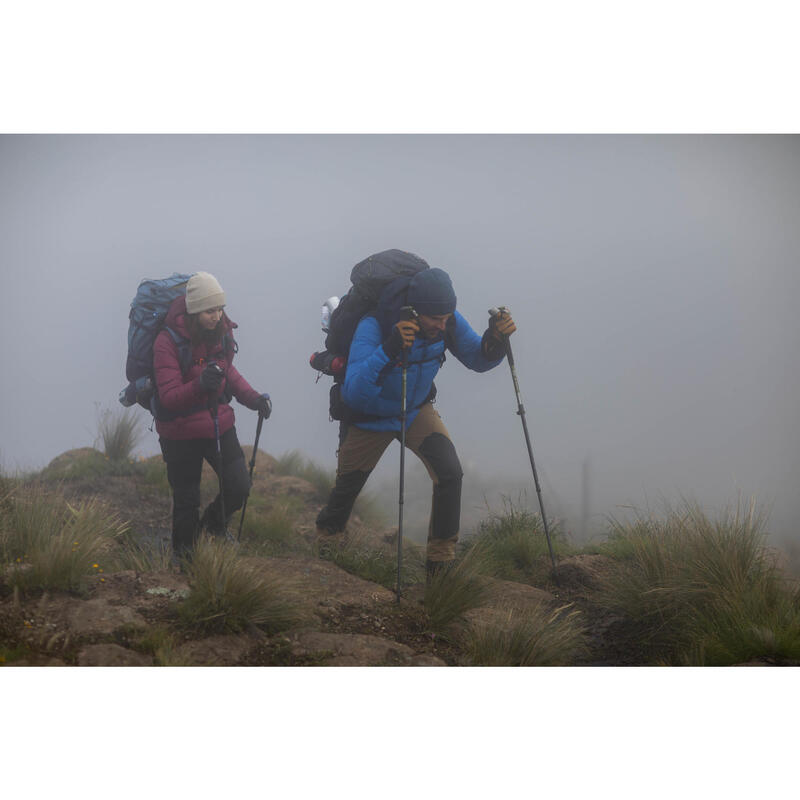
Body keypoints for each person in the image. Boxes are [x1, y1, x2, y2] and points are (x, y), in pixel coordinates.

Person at [315, 264, 516, 575]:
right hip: (368, 419)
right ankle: (327, 549)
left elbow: (477, 359)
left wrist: (495, 341)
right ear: (415, 310)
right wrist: (390, 347)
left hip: (414, 410)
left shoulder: (445, 319)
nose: (442, 325)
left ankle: (441, 563)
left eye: (447, 318)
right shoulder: (374, 325)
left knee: (450, 474)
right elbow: (354, 393)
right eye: (435, 319)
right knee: (345, 491)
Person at [153, 271, 272, 558]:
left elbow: (227, 371)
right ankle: (185, 563)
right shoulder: (166, 342)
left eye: (219, 309)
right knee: (186, 501)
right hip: (178, 432)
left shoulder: (220, 332)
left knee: (239, 486)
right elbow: (168, 397)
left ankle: (212, 528)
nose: (216, 316)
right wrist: (199, 385)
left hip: (218, 423)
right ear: (194, 309)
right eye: (209, 310)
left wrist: (253, 398)